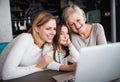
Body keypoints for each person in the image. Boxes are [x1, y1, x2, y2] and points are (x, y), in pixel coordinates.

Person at [0, 11, 57, 80]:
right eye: (48, 28)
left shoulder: (46, 45)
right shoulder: (25, 38)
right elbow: (6, 74)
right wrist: (38, 66)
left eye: (54, 29)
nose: (53, 33)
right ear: (36, 28)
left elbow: (48, 66)